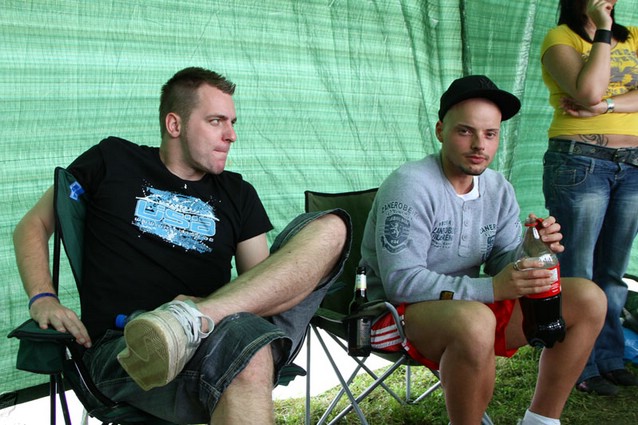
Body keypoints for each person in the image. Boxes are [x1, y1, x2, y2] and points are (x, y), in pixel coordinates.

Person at [13, 67, 351, 424]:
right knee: (247, 353)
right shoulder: (112, 160)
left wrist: (208, 313)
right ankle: (188, 323)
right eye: (216, 121)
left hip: (222, 331)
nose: (231, 135)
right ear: (174, 125)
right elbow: (33, 224)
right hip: (128, 345)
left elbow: (264, 289)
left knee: (332, 227)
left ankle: (196, 317)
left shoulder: (238, 193)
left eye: (232, 122)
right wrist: (43, 298)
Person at [359, 75, 606, 425]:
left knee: (588, 298)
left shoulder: (497, 187)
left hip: (470, 306)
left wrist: (532, 249)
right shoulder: (410, 186)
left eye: (490, 134)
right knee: (476, 320)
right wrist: (491, 288)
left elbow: (502, 262)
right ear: (440, 131)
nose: (479, 145)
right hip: (391, 315)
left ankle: (541, 421)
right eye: (465, 131)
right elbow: (401, 282)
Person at [540, 0, 638, 395]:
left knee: (612, 270)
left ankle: (610, 357)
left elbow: (596, 98)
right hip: (579, 160)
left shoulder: (633, 37)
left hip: (633, 164)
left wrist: (605, 106)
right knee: (577, 270)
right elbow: (586, 90)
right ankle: (578, 364)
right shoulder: (559, 39)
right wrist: (602, 29)